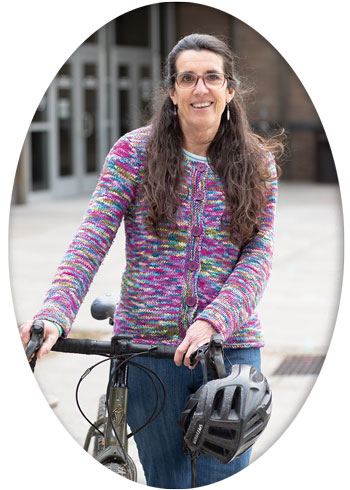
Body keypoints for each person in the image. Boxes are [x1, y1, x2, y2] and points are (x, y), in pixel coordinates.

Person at [20, 33, 282, 488]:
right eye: (187, 78)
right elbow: (92, 238)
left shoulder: (258, 163)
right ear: (172, 90)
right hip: (148, 352)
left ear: (230, 89)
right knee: (169, 480)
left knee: (227, 476)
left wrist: (214, 321)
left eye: (212, 77)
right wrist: (56, 312)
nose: (200, 89)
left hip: (231, 349)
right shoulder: (133, 153)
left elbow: (258, 253)